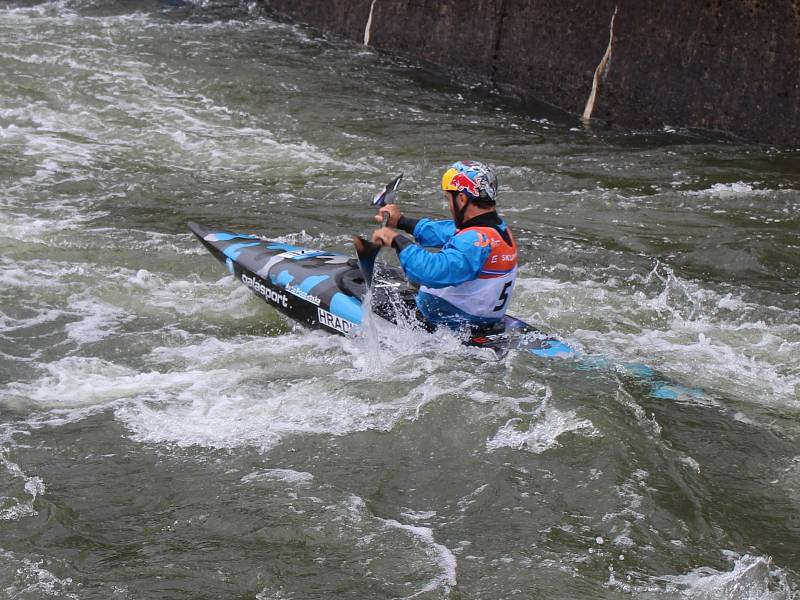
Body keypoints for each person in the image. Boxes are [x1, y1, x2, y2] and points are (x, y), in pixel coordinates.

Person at [371, 160, 518, 331]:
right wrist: (402, 222)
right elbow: (444, 230)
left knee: (371, 302)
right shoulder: (498, 230)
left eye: (449, 199)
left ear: (461, 199)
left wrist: (396, 240)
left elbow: (430, 273)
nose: (449, 206)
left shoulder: (474, 243)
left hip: (448, 326)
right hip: (478, 321)